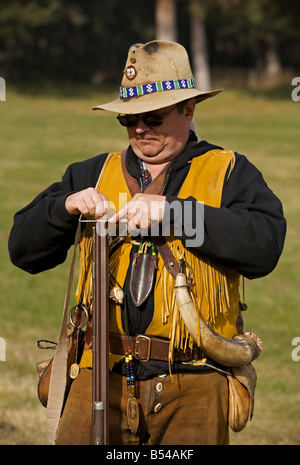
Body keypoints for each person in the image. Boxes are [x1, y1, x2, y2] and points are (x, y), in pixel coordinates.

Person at [8, 40, 286, 446]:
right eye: (128, 119)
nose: (139, 129)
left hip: (194, 378)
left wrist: (173, 213)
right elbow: (22, 251)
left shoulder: (229, 172)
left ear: (188, 111)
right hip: (96, 371)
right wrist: (63, 208)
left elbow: (264, 246)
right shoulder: (91, 172)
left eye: (153, 118)